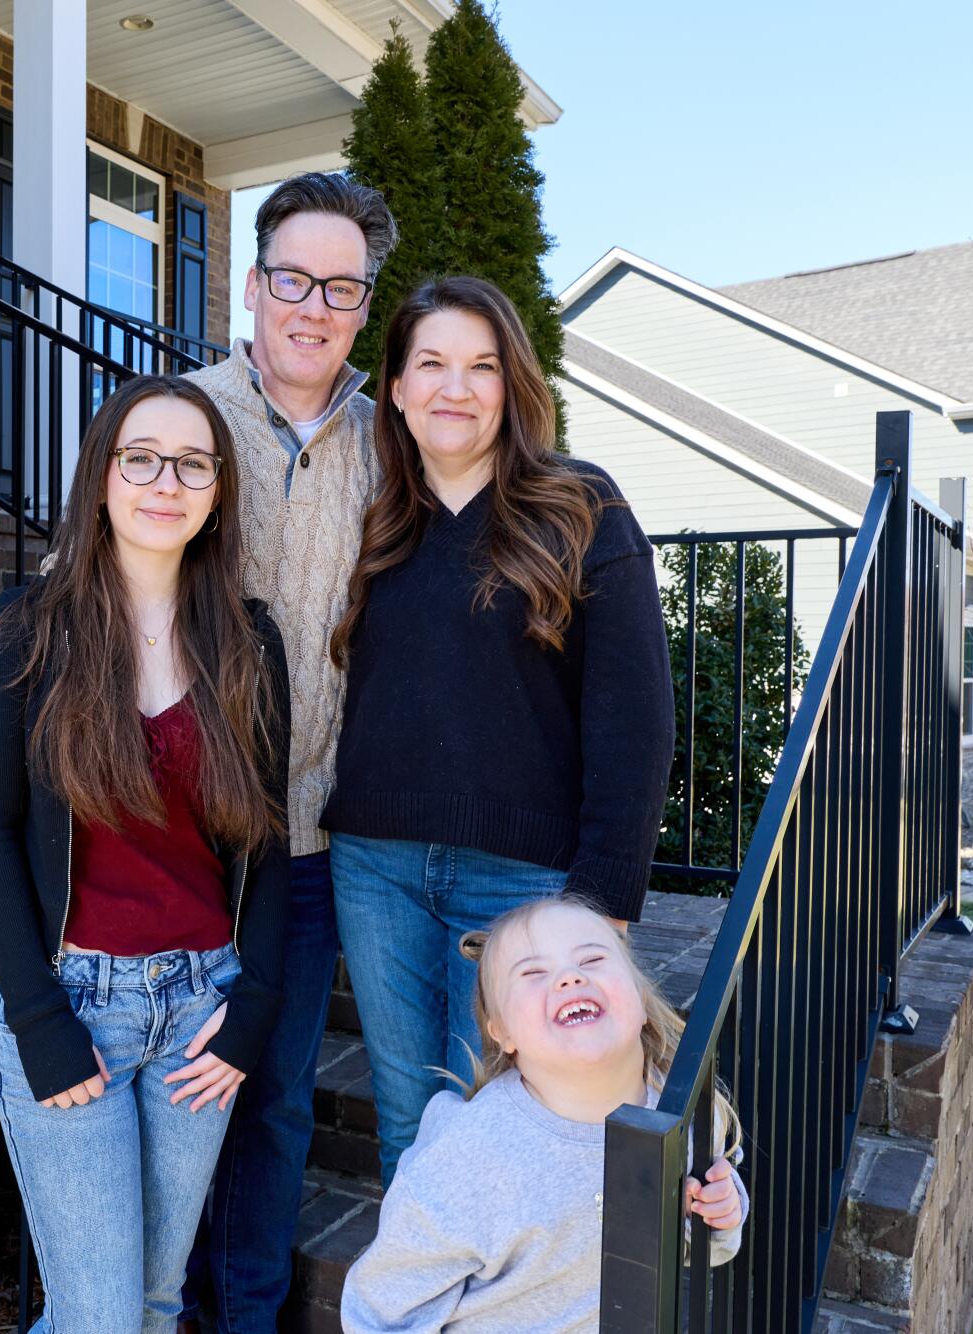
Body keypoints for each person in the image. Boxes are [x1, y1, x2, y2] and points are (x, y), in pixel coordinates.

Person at [0, 374, 292, 1332]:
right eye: (141, 457)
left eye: (193, 463)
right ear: (102, 476)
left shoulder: (246, 642)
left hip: (199, 1011)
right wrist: (38, 1016)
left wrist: (249, 1013)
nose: (166, 481)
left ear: (219, 492)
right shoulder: (27, 632)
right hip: (75, 1005)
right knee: (98, 1315)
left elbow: (265, 836)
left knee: (150, 1302)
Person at [323, 275, 676, 1183]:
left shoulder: (580, 507)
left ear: (512, 384)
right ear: (394, 387)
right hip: (375, 868)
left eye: (481, 366)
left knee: (506, 1119)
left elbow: (635, 717)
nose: (455, 387)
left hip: (525, 882)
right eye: (430, 363)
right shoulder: (372, 517)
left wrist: (603, 901)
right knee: (409, 1117)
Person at [179, 172, 397, 1332]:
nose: (312, 306)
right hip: (170, 834)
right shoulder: (179, 417)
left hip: (306, 840)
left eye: (341, 288)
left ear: (364, 306)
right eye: (293, 279)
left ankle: (245, 1316)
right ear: (253, 283)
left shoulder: (388, 443)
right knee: (157, 1090)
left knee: (269, 1100)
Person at [339, 896, 747, 1332]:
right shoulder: (468, 1156)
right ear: (502, 1033)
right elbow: (380, 1310)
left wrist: (718, 1216)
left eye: (591, 958)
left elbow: (689, 1249)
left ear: (641, 999)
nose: (570, 978)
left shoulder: (681, 1115)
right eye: (534, 972)